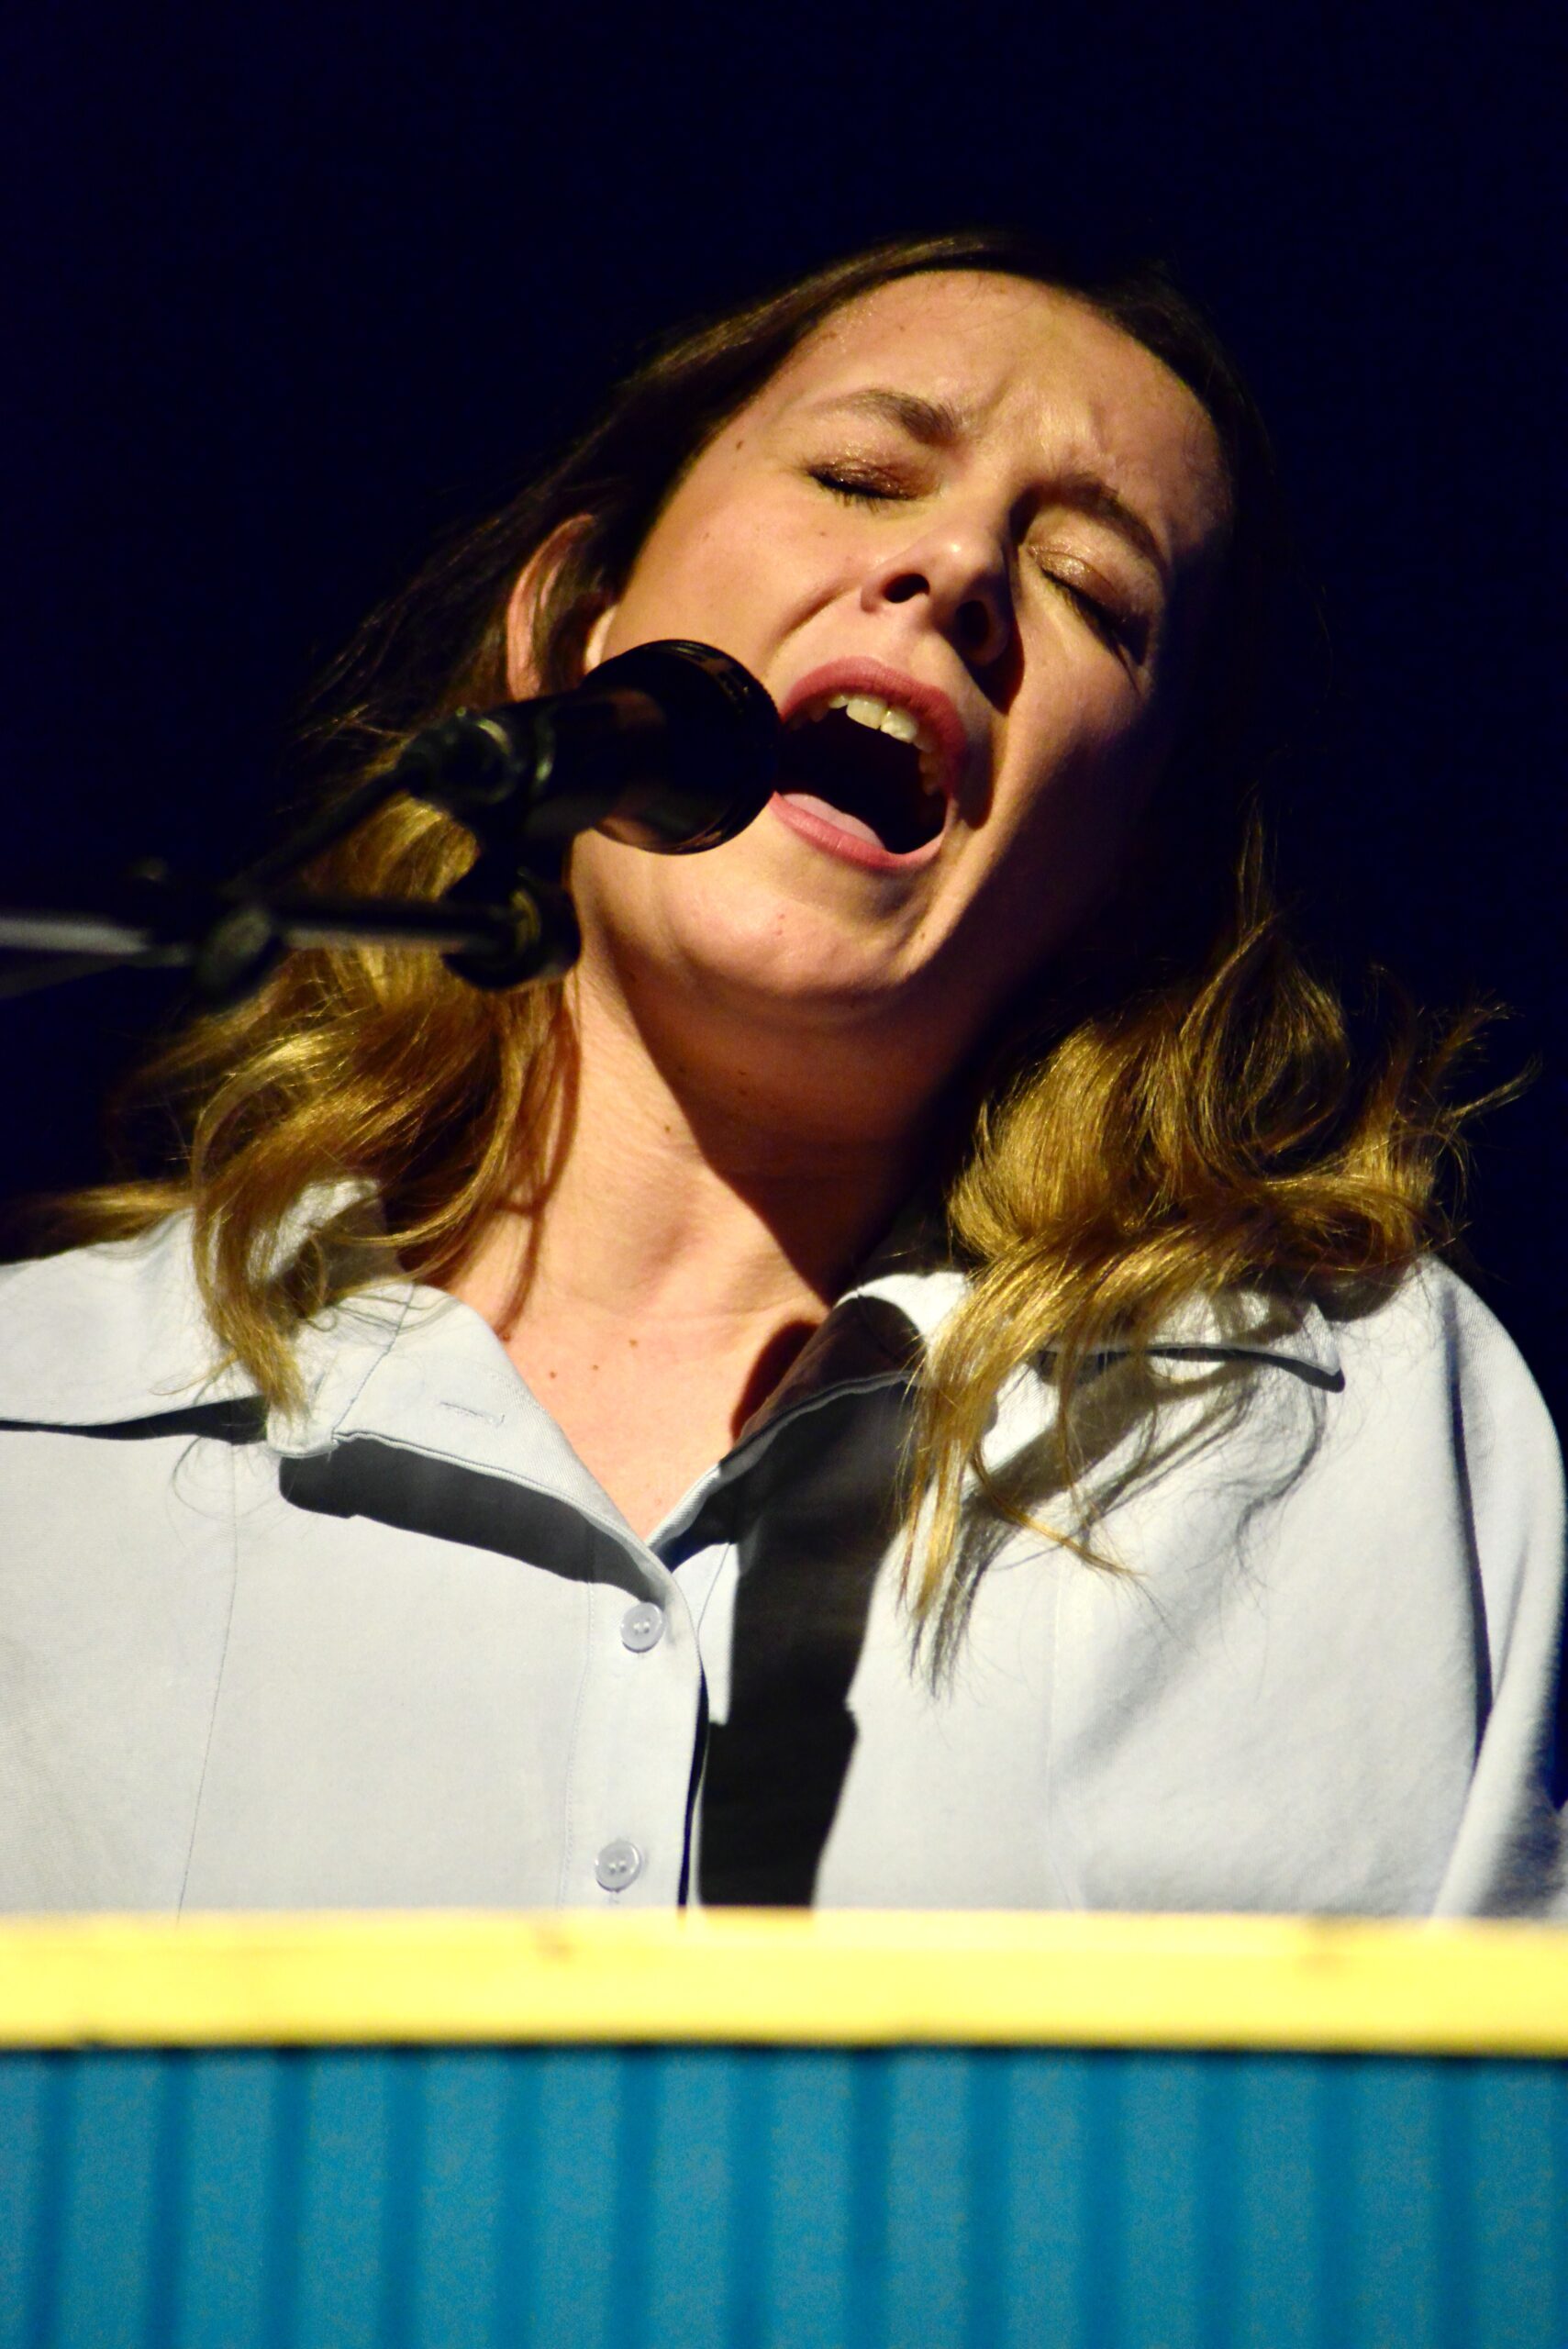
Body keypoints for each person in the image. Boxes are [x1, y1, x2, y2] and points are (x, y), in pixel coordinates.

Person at [0, 229, 1562, 1916]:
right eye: (860, 476)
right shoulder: (42, 1426)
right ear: (570, 624)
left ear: (1132, 861)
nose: (956, 568)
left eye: (1090, 591)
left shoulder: (1342, 1437)